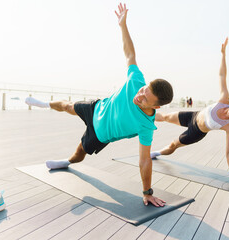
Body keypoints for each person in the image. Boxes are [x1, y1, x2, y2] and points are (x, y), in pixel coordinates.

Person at [25, 3, 173, 207]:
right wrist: (123, 25)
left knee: (79, 154)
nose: (139, 96)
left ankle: (67, 162)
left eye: (145, 99)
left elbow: (145, 160)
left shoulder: (146, 126)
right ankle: (44, 103)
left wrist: (147, 192)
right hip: (97, 108)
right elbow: (130, 53)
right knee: (68, 106)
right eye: (142, 91)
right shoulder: (136, 80)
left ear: (156, 107)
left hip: (99, 134)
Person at [151, 38, 229, 185]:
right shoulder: (224, 99)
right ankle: (142, 115)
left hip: (196, 132)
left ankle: (156, 154)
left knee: (172, 145)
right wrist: (223, 54)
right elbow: (222, 75)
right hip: (193, 116)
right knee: (164, 116)